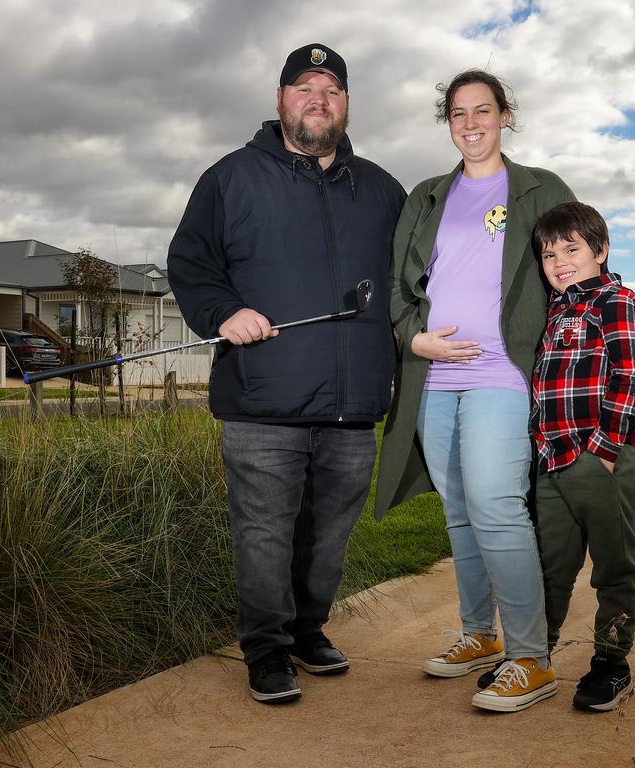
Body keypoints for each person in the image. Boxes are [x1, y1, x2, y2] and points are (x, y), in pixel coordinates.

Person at [167, 43, 406, 705]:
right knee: (265, 535)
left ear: (346, 105)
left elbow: (416, 279)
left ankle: (307, 630)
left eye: (331, 91)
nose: (317, 100)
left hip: (354, 403)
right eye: (305, 88)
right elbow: (191, 263)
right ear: (280, 99)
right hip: (262, 399)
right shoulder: (230, 178)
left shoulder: (382, 190)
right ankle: (266, 649)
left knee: (327, 537)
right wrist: (225, 311)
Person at [373, 69, 576, 713]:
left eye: (482, 110)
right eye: (458, 113)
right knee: (459, 506)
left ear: (505, 115)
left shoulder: (541, 189)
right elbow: (399, 284)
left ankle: (531, 658)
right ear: (448, 122)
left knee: (496, 504)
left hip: (503, 374)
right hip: (435, 377)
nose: (470, 124)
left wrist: (615, 323)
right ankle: (480, 635)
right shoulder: (427, 196)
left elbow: (577, 264)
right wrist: (414, 340)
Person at [530, 201, 635, 712]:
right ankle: (534, 655)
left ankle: (611, 662)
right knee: (551, 566)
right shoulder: (554, 310)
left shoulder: (616, 301)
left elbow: (630, 374)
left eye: (571, 249)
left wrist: (603, 451)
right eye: (548, 254)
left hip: (604, 455)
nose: (559, 262)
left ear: (600, 250)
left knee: (613, 562)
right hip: (554, 458)